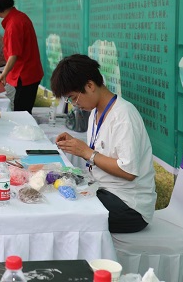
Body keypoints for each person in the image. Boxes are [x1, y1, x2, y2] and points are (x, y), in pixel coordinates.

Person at [52, 54, 156, 233]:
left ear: (90, 86)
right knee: (57, 194)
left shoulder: (124, 116)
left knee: (66, 215)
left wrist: (87, 153)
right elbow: (101, 147)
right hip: (104, 191)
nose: (74, 105)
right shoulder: (95, 113)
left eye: (73, 98)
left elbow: (128, 171)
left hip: (129, 206)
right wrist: (77, 145)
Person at [0, 0, 43, 114]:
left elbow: (13, 55)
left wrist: (3, 74)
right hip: (28, 72)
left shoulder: (14, 24)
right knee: (22, 110)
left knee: (21, 114)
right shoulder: (19, 17)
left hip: (25, 75)